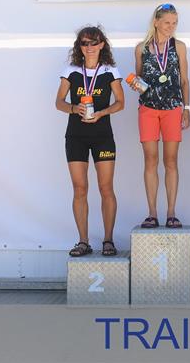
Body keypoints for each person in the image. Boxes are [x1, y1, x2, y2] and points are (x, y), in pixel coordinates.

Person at [55, 26, 125, 257]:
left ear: (102, 44)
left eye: (94, 42)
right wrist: (74, 108)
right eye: (84, 43)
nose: (89, 47)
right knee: (80, 188)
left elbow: (120, 102)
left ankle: (108, 240)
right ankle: (83, 241)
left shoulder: (110, 71)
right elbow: (59, 102)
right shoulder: (71, 70)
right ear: (80, 46)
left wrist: (101, 113)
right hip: (76, 136)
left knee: (106, 188)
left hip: (103, 136)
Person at [128, 3, 190, 228]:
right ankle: (152, 213)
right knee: (151, 159)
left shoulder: (179, 47)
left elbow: (184, 80)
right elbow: (139, 78)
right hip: (148, 109)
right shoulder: (141, 48)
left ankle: (171, 213)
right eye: (167, 22)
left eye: (174, 23)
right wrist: (135, 84)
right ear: (156, 22)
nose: (171, 27)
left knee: (171, 160)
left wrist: (186, 108)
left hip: (173, 108)